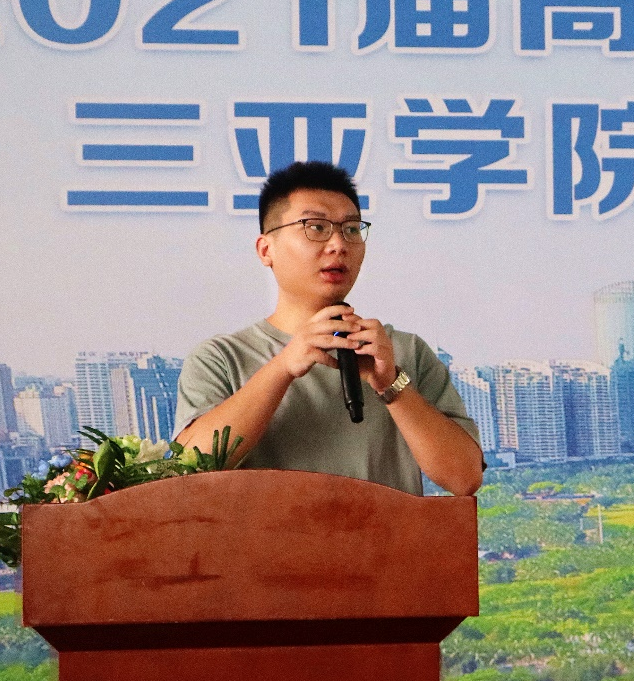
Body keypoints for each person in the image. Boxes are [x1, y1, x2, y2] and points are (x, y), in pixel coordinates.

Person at [173, 161, 483, 496]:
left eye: (351, 229)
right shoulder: (221, 358)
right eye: (316, 227)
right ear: (266, 249)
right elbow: (188, 470)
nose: (339, 244)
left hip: (385, 533)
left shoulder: (403, 351)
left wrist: (391, 384)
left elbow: (464, 478)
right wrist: (283, 367)